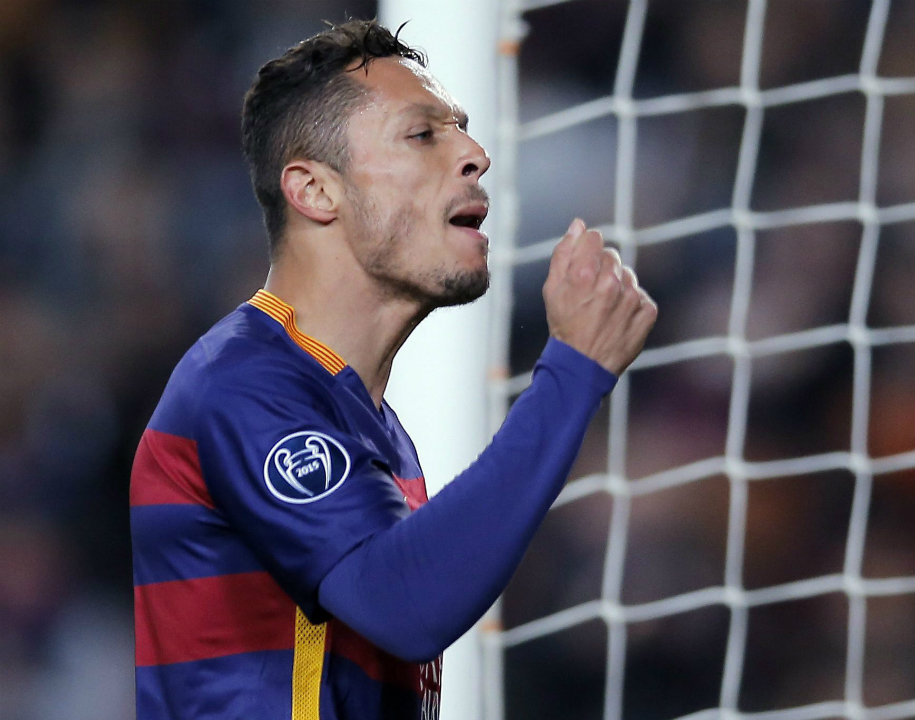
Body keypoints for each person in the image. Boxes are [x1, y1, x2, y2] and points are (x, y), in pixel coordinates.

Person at [129, 19, 656, 720]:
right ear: (316, 192)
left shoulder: (360, 419)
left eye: (462, 130)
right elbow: (406, 606)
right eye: (423, 134)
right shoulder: (243, 385)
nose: (475, 155)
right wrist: (572, 374)